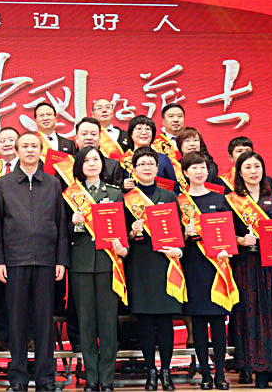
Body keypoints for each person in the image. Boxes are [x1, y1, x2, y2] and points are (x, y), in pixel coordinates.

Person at [0, 131, 68, 392]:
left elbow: (61, 224)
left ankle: (46, 378)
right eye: (25, 146)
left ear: (41, 150)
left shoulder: (53, 183)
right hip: (14, 260)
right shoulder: (4, 184)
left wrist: (61, 260)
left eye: (34, 146)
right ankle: (18, 378)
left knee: (45, 321)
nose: (30, 150)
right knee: (16, 321)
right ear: (16, 151)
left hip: (47, 260)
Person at [226, 152, 272, 390]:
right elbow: (225, 234)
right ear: (239, 172)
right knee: (251, 316)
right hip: (246, 267)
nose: (253, 171)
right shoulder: (231, 200)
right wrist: (240, 240)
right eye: (247, 167)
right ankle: (258, 370)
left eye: (257, 166)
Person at [123, 148, 183, 391]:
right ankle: (150, 371)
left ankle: (166, 371)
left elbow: (179, 230)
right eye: (142, 164)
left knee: (165, 320)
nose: (147, 167)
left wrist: (178, 249)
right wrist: (132, 232)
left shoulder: (168, 196)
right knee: (145, 320)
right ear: (134, 170)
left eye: (151, 163)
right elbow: (119, 235)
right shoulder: (126, 198)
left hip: (165, 263)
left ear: (157, 168)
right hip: (139, 264)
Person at [68, 146, 127, 392]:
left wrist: (123, 248)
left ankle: (107, 378)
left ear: (103, 164)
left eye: (96, 159)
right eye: (86, 160)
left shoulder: (114, 193)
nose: (92, 164)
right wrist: (73, 224)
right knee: (86, 323)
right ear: (79, 166)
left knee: (108, 323)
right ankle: (91, 377)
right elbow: (61, 232)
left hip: (107, 263)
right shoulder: (70, 194)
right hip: (81, 263)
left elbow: (123, 229)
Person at [178, 152, 234, 391]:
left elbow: (229, 233)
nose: (199, 171)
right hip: (192, 267)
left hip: (216, 267)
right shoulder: (179, 202)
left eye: (203, 167)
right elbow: (172, 239)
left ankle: (220, 373)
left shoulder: (220, 199)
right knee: (199, 322)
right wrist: (184, 234)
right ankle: (205, 374)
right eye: (194, 168)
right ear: (185, 172)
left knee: (218, 322)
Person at [0, 126, 21, 351]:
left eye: (11, 140)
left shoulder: (31, 168)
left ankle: (26, 337)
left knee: (23, 291)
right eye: (3, 141)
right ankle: (1, 336)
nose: (7, 144)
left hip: (21, 237)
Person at [119, 116, 177, 192]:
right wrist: (122, 187)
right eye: (139, 129)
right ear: (130, 134)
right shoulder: (122, 161)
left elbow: (175, 189)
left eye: (148, 129)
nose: (144, 132)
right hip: (134, 199)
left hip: (160, 199)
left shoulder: (163, 159)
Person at [73, 117, 123, 185]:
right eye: (84, 134)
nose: (89, 138)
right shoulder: (65, 165)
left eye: (93, 134)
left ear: (100, 138)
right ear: (76, 138)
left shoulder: (113, 166)